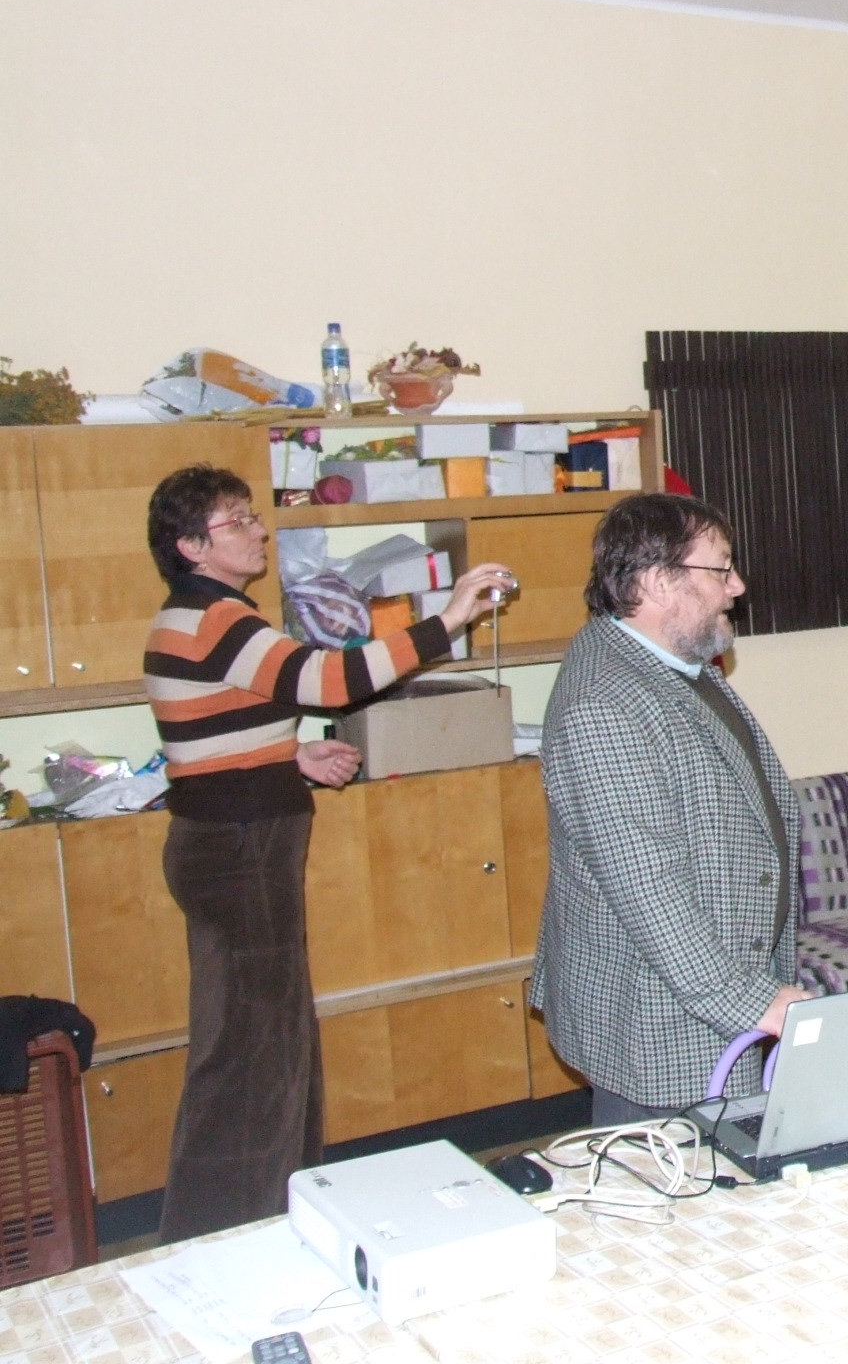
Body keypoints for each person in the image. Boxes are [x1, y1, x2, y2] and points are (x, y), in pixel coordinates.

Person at [142, 463, 513, 1240]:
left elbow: (212, 739)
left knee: (268, 1041)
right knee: (254, 1053)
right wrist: (447, 620)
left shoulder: (202, 616)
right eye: (237, 522)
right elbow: (334, 680)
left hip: (234, 842)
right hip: (241, 850)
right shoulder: (216, 619)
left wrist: (288, 757)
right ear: (190, 547)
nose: (259, 531)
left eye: (253, 515)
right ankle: (227, 1236)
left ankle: (273, 1215)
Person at [532, 493, 807, 1124]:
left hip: (702, 990)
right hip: (658, 1017)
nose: (737, 586)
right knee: (666, 1181)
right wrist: (754, 1002)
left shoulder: (672, 660)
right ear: (658, 583)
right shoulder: (605, 706)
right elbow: (649, 889)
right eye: (721, 569)